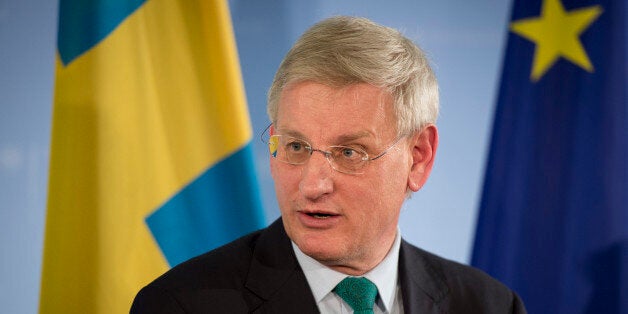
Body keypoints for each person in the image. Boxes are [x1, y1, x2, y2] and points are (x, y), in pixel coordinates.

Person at [131, 16, 526, 313]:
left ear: (418, 157)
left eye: (349, 152)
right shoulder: (180, 305)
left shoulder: (489, 305)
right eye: (297, 147)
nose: (312, 185)